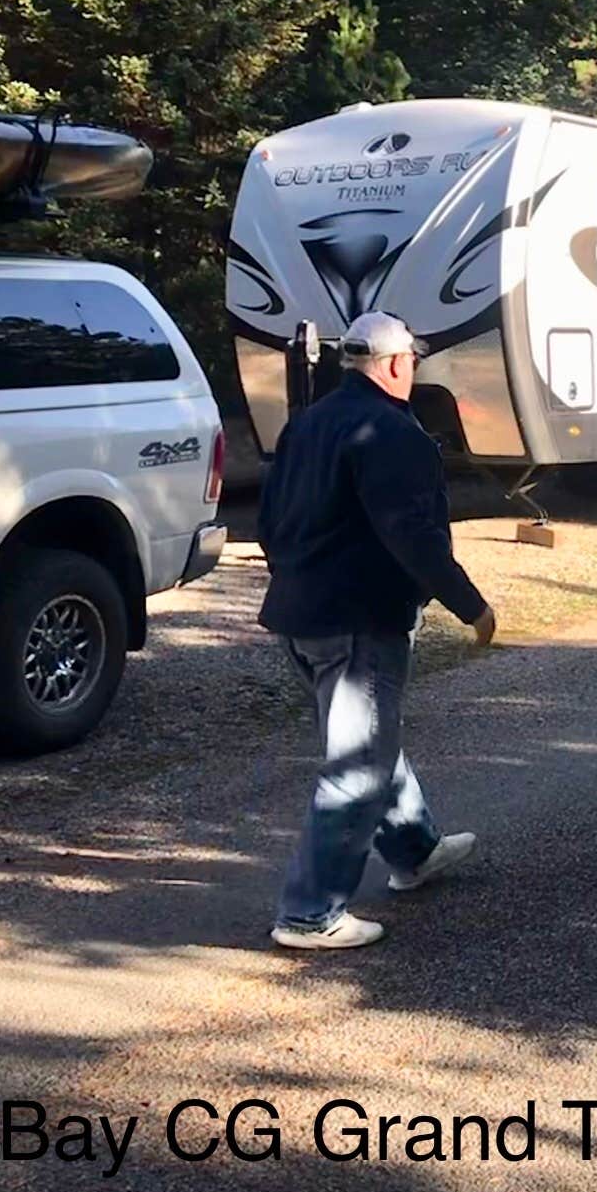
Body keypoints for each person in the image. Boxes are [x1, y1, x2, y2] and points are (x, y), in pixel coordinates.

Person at [257, 311, 497, 950]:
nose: (413, 370)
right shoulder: (394, 433)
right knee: (358, 764)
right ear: (395, 365)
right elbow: (411, 533)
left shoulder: (306, 424)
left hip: (299, 615)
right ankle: (310, 914)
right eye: (412, 361)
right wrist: (470, 604)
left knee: (366, 739)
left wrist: (293, 581)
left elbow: (269, 521)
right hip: (359, 621)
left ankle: (414, 852)